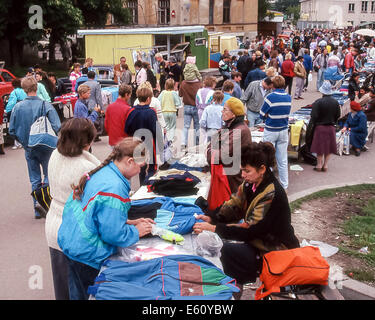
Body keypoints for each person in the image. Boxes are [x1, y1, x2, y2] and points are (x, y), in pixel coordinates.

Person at [194, 142, 299, 299]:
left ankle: (231, 294)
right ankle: (234, 290)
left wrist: (215, 228)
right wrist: (212, 217)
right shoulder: (252, 183)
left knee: (225, 251)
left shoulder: (271, 193)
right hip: (259, 241)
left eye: (247, 171)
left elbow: (250, 230)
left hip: (276, 250)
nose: (242, 174)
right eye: (242, 169)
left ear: (262, 169)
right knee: (226, 250)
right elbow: (234, 205)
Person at [57, 137, 154, 300]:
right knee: (91, 294)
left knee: (78, 294)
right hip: (87, 253)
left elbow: (97, 214)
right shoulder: (114, 187)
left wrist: (128, 222)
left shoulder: (104, 172)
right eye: (141, 166)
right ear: (130, 161)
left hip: (74, 245)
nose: (141, 171)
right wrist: (135, 231)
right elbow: (113, 234)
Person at [46, 118, 100, 300]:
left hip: (54, 225)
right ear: (85, 142)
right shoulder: (86, 167)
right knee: (80, 289)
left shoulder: (55, 155)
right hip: (75, 231)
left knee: (62, 285)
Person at [9, 76, 61, 219]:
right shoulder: (45, 105)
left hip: (29, 147)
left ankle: (37, 208)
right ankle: (47, 203)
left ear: (24, 89)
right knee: (49, 175)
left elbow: (12, 130)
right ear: (36, 88)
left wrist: (24, 141)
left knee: (34, 179)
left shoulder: (17, 107)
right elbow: (57, 126)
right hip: (47, 145)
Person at [206, 97, 252, 194]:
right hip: (227, 179)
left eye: (225, 109)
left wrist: (209, 150)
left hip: (232, 182)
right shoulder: (229, 126)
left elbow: (216, 157)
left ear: (233, 114)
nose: (222, 111)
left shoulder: (239, 131)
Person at [260, 75, 291, 190]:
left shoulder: (270, 97)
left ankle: (267, 185)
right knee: (282, 159)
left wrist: (268, 115)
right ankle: (284, 186)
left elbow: (262, 114)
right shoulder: (288, 97)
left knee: (267, 158)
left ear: (273, 85)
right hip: (283, 129)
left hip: (271, 130)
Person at [125, 87, 161, 185]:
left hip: (136, 143)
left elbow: (127, 129)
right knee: (151, 169)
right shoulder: (151, 112)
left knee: (140, 167)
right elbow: (156, 129)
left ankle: (142, 186)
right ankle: (149, 187)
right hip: (149, 144)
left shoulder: (131, 111)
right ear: (148, 99)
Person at [308, 81, 341, 172]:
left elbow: (313, 116)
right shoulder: (335, 102)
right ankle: (325, 165)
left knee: (320, 148)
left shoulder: (318, 102)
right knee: (328, 148)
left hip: (320, 127)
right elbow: (338, 115)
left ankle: (319, 165)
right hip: (331, 127)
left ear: (322, 91)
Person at [179, 76, 203, 148]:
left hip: (186, 106)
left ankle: (183, 142)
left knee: (186, 126)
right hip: (196, 106)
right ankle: (196, 143)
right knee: (197, 126)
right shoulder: (199, 83)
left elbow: (180, 94)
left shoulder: (183, 83)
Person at [157, 78, 182, 143]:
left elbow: (158, 101)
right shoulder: (174, 93)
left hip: (164, 112)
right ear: (173, 86)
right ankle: (171, 139)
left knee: (166, 126)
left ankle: (166, 139)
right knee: (172, 127)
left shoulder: (163, 93)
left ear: (165, 85)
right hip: (172, 112)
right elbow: (178, 104)